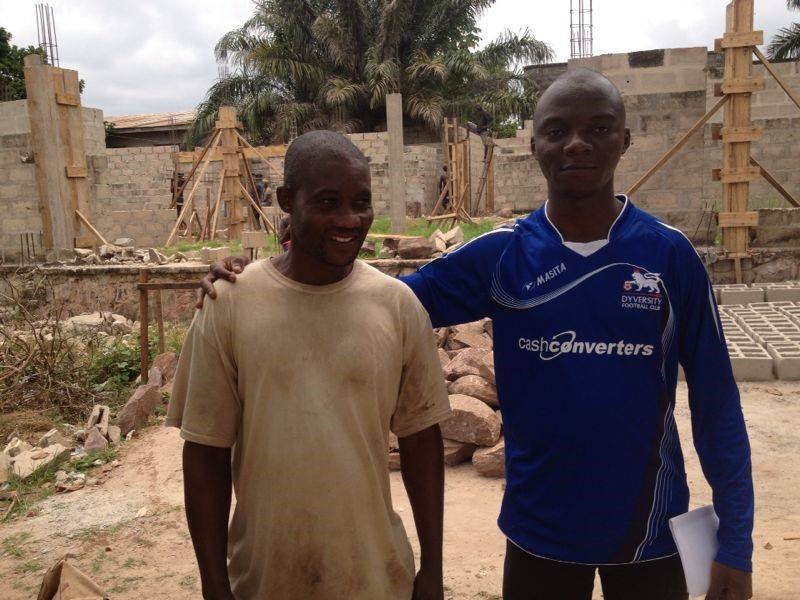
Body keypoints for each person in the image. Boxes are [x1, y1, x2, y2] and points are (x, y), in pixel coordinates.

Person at [200, 70, 754, 600]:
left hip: (649, 533)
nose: (577, 144)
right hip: (538, 538)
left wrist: (735, 543)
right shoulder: (502, 255)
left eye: (599, 128)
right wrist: (267, 275)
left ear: (624, 140)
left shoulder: (670, 257)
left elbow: (717, 407)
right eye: (557, 130)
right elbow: (372, 301)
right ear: (534, 146)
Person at [169, 130, 451, 600]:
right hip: (264, 580)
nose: (349, 219)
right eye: (328, 202)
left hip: (376, 579)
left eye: (361, 202)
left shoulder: (397, 305)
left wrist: (433, 570)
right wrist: (214, 584)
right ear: (287, 201)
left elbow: (421, 441)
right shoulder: (229, 304)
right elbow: (205, 453)